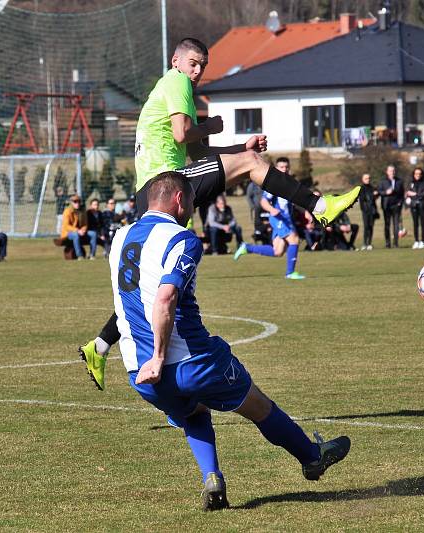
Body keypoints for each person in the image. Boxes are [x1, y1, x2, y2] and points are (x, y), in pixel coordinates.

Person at [80, 37, 360, 381]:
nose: (197, 72)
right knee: (249, 164)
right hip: (166, 183)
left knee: (155, 279)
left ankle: (101, 345)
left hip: (155, 190)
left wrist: (238, 146)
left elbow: (197, 152)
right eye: (194, 63)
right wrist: (212, 127)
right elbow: (186, 135)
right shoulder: (176, 81)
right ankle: (320, 205)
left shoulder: (168, 89)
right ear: (176, 61)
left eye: (203, 67)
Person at [107, 172, 350, 510]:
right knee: (258, 407)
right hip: (191, 362)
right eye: (191, 200)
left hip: (139, 373)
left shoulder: (119, 239)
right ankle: (311, 456)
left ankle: (213, 478)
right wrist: (160, 356)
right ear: (179, 200)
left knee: (193, 412)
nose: (193, 206)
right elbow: (165, 298)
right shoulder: (182, 238)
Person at [233, 158, 305, 279]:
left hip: (286, 219)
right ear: (276, 168)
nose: (284, 169)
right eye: (281, 167)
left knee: (278, 251)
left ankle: (247, 248)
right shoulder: (276, 185)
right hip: (279, 219)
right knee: (294, 240)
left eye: (286, 167)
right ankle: (290, 273)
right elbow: (263, 201)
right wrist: (272, 210)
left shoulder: (289, 183)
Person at [378, 164, 404, 248]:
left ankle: (396, 243)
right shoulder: (382, 181)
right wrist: (386, 192)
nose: (392, 172)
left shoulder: (399, 181)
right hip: (386, 206)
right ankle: (387, 243)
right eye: (390, 171)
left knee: (396, 225)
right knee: (387, 225)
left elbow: (402, 194)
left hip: (396, 206)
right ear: (387, 172)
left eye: (393, 171)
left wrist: (400, 202)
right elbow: (379, 192)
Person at [406, 167, 424, 249]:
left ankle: (422, 241)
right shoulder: (411, 182)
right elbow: (408, 192)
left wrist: (415, 194)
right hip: (413, 205)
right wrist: (410, 194)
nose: (418, 175)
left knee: (422, 223)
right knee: (415, 224)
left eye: (419, 174)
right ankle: (416, 241)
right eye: (416, 173)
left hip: (422, 205)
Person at [61, 194, 89, 260]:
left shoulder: (82, 211)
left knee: (93, 234)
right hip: (68, 233)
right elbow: (66, 226)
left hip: (80, 231)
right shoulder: (67, 211)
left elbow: (85, 224)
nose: (77, 203)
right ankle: (79, 256)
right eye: (75, 202)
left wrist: (83, 230)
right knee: (75, 235)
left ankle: (92, 255)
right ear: (71, 202)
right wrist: (77, 230)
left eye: (78, 201)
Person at [358, 173, 378, 250]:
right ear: (363, 180)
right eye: (366, 178)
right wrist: (373, 195)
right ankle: (364, 243)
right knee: (366, 226)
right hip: (365, 210)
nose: (368, 180)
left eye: (369, 178)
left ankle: (369, 243)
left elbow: (375, 197)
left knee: (371, 226)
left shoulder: (372, 188)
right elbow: (363, 199)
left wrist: (376, 194)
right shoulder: (361, 188)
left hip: (372, 210)